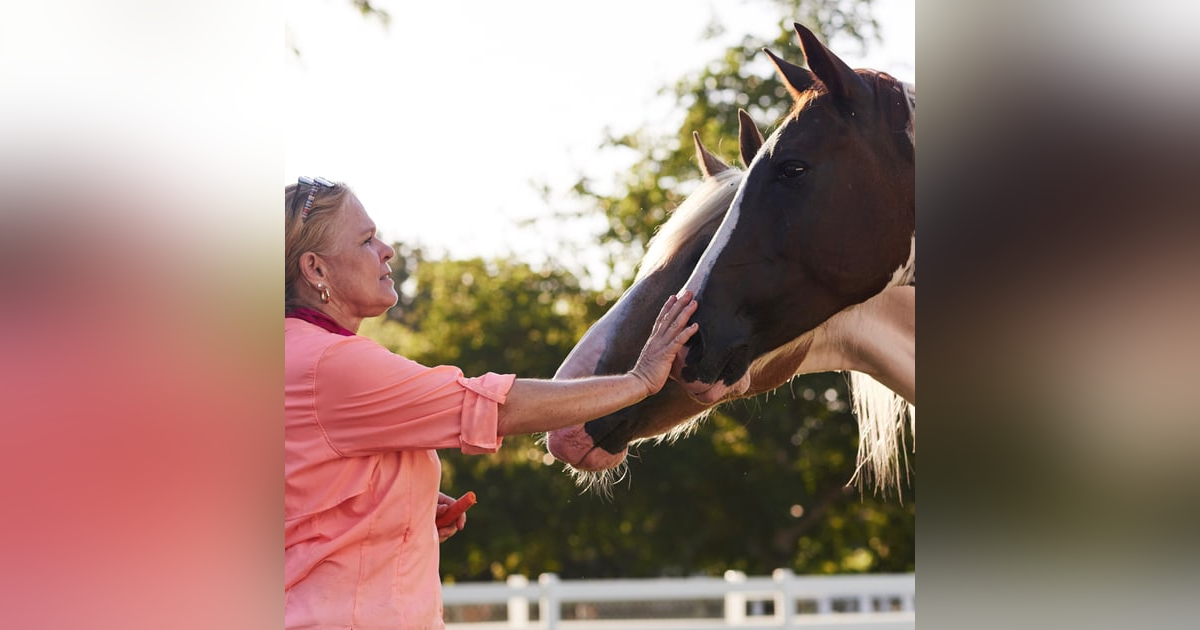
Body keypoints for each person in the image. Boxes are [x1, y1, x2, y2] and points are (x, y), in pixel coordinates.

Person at [284, 176, 698, 629]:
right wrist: (640, 380)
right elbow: (497, 407)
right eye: (366, 240)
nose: (387, 250)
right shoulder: (332, 365)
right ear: (315, 269)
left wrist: (403, 507)